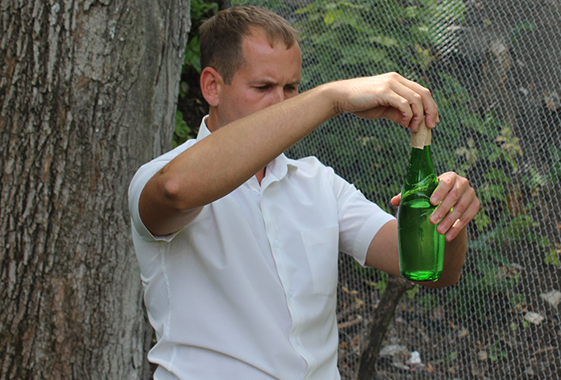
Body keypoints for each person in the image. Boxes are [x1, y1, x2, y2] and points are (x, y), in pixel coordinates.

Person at [128, 5, 480, 380]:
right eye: (263, 87)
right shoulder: (163, 174)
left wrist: (449, 215)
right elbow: (176, 190)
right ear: (212, 86)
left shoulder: (319, 182)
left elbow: (434, 272)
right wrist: (331, 98)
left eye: (292, 88)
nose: (283, 102)